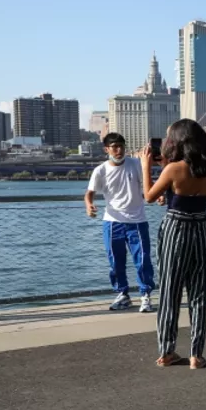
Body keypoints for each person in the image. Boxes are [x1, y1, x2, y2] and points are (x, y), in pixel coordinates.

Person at [141, 119, 206, 369]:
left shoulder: (173, 169)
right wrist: (171, 195)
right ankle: (196, 354)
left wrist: (146, 166)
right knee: (199, 293)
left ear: (178, 141)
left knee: (169, 291)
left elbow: (149, 197)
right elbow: (190, 196)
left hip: (176, 230)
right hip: (202, 229)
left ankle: (166, 351)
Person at [85, 132, 155, 313]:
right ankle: (122, 295)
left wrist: (158, 195)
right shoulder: (100, 170)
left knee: (143, 259)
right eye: (114, 146)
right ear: (106, 149)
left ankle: (145, 295)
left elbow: (146, 187)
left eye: (121, 146)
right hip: (112, 222)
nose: (119, 150)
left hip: (137, 221)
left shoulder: (136, 164)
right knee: (115, 262)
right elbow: (90, 193)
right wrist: (89, 205)